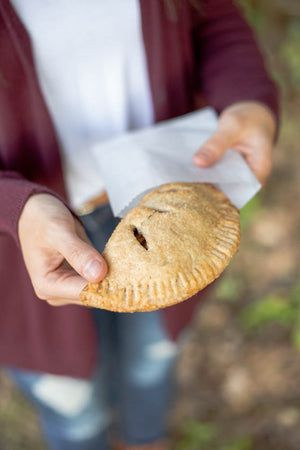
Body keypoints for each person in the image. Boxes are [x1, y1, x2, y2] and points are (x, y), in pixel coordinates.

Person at [0, 1, 278, 449]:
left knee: (151, 363)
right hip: (15, 251)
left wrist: (247, 98)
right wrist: (13, 207)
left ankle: (144, 439)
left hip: (170, 200)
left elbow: (214, 20)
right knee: (73, 407)